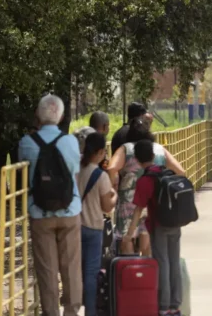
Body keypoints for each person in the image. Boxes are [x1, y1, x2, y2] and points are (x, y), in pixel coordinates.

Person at [18, 94, 83, 316]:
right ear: (62, 116)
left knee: (47, 269)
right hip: (69, 211)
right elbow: (74, 172)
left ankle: (51, 312)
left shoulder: (27, 143)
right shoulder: (71, 142)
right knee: (71, 267)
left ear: (38, 114)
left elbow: (25, 175)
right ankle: (72, 312)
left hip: (40, 212)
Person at [122, 140, 186, 316]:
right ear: (152, 155)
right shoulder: (167, 173)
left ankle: (164, 307)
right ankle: (176, 305)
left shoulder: (145, 180)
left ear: (137, 159)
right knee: (174, 261)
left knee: (163, 263)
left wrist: (129, 235)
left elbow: (137, 210)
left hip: (159, 226)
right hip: (175, 223)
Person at [107, 118, 183, 256]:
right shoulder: (159, 149)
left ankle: (130, 269)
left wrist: (113, 187)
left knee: (127, 240)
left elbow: (112, 168)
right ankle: (148, 270)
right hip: (153, 201)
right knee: (147, 239)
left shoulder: (126, 149)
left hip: (129, 202)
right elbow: (181, 172)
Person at [78, 133, 117, 316]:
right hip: (93, 227)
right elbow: (107, 206)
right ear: (101, 151)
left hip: (74, 227)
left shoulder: (76, 170)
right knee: (91, 273)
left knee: (75, 271)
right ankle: (91, 312)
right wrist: (115, 193)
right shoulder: (101, 177)